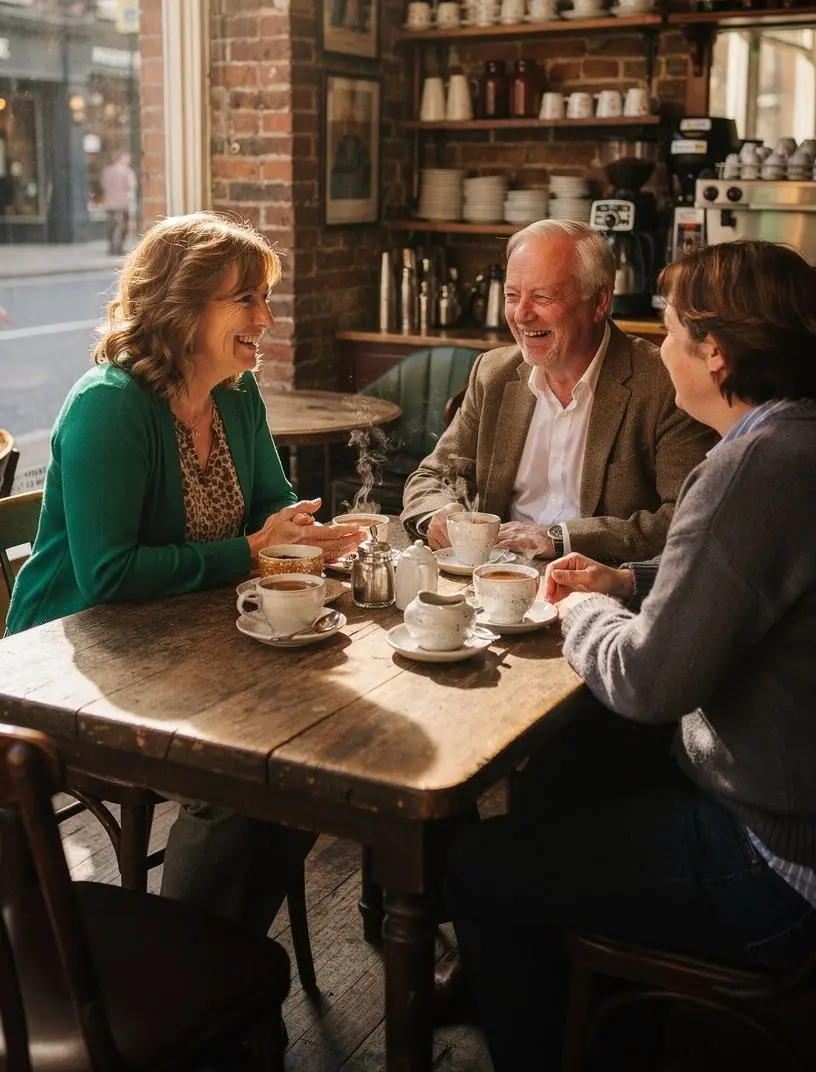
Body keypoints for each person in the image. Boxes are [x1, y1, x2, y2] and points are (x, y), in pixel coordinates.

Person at [444, 240, 816, 1071]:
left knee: (477, 864)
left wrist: (578, 606)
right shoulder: (793, 443)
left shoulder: (752, 466)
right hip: (781, 812)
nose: (663, 345)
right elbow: (735, 575)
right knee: (567, 776)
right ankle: (595, 998)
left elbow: (649, 682)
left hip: (778, 866)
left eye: (675, 329)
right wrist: (627, 577)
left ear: (714, 355)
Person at [6, 211, 365, 936]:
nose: (266, 317)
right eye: (248, 299)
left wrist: (301, 536)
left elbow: (268, 503)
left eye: (266, 298)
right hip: (72, 663)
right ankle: (190, 966)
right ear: (184, 305)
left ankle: (224, 961)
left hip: (182, 635)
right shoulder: (109, 406)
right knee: (236, 787)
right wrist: (253, 552)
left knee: (320, 764)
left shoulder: (236, 393)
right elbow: (107, 576)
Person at [402, 220, 714, 565]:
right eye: (512, 296)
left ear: (599, 301)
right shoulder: (493, 373)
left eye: (541, 297)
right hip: (493, 581)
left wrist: (560, 538)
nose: (521, 315)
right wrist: (437, 515)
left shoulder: (663, 383)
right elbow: (431, 477)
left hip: (603, 586)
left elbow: (686, 517)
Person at [101, 150, 137, 255]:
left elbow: (103, 185)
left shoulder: (107, 171)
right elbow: (131, 186)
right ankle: (120, 246)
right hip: (123, 203)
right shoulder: (127, 171)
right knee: (124, 225)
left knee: (111, 225)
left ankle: (111, 246)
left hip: (110, 202)